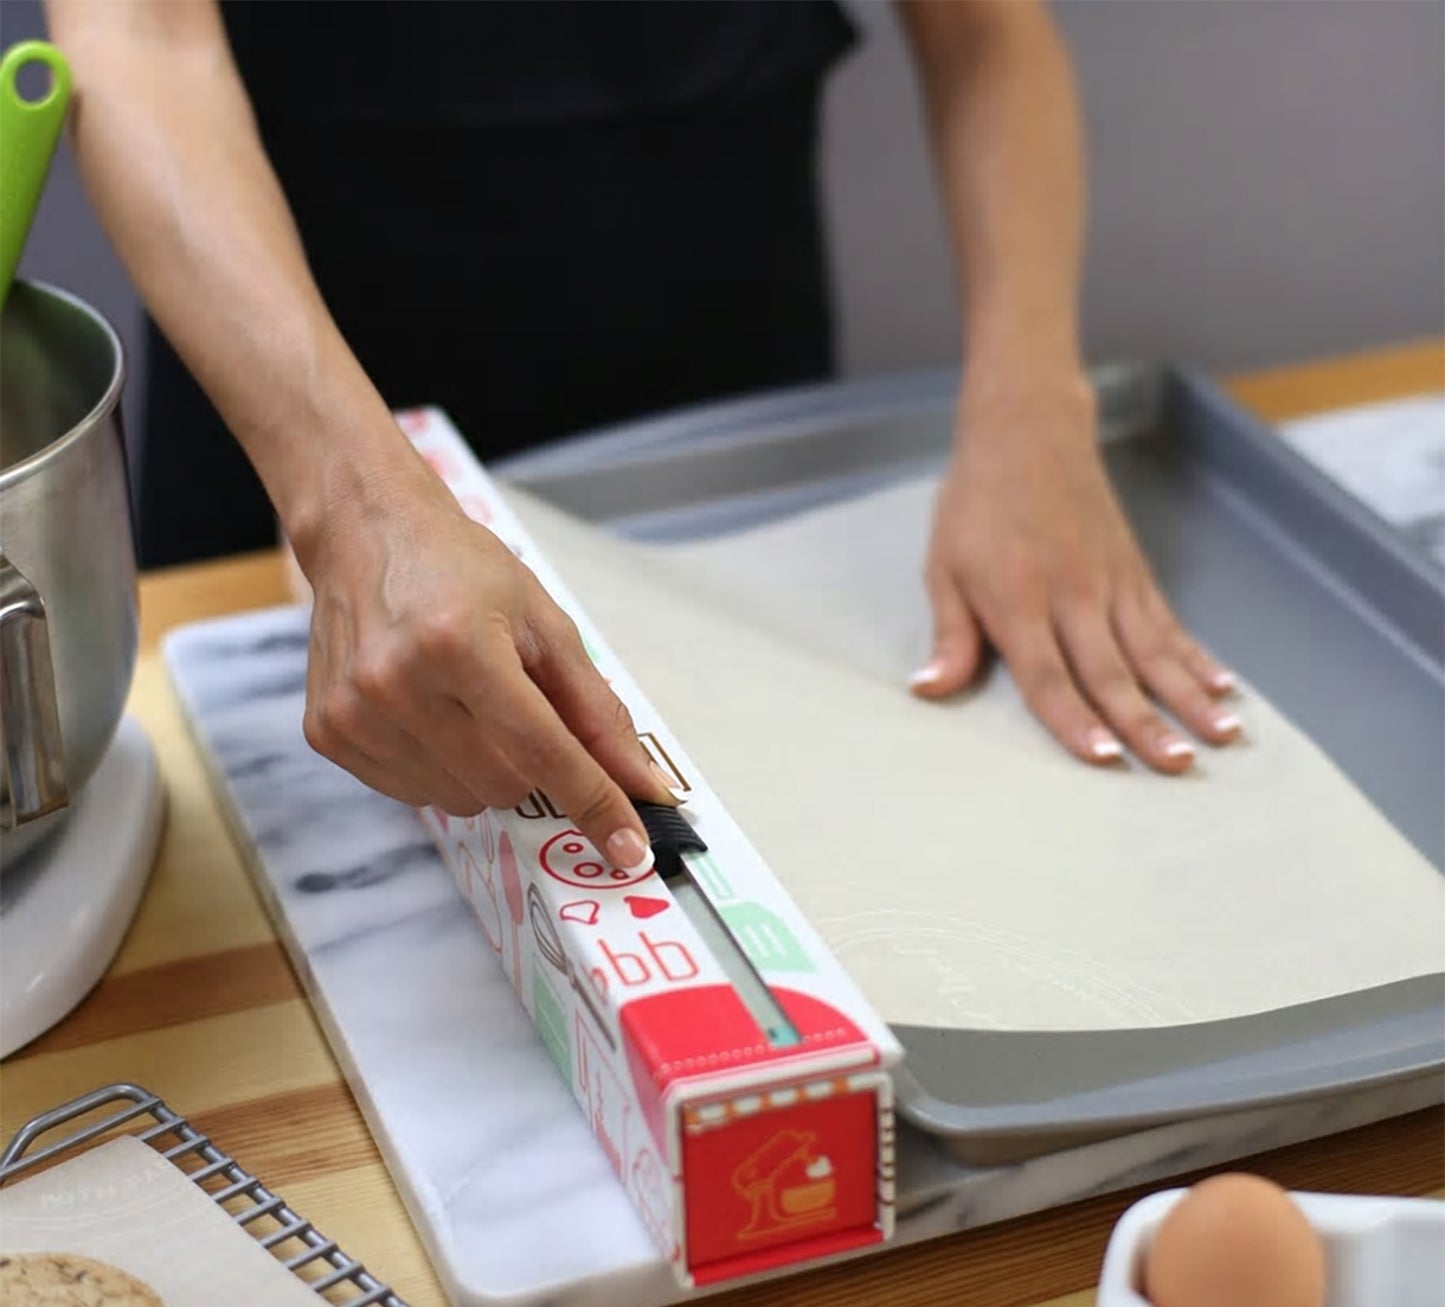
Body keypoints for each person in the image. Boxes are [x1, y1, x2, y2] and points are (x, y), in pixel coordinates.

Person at [46, 0, 1240, 875]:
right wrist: (348, 504)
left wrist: (1031, 402)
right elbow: (139, 37)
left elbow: (983, 29)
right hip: (298, 393)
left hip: (729, 395)